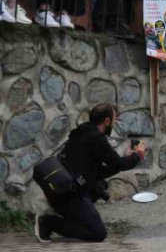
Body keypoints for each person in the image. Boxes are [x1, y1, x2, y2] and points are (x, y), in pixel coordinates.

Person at [34, 103, 145, 243]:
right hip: (70, 194)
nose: (115, 123)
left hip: (63, 190)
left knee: (100, 187)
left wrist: (126, 158)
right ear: (107, 121)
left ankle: (71, 216)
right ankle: (48, 222)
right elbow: (118, 164)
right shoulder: (96, 138)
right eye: (114, 119)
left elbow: (98, 171)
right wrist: (138, 155)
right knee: (98, 234)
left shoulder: (82, 132)